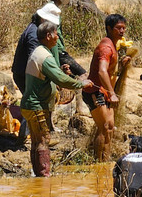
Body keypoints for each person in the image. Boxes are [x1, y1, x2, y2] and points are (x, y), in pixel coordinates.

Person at [20, 21, 93, 177]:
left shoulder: (38, 52)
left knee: (35, 140)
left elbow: (54, 75)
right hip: (36, 106)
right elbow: (61, 80)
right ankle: (44, 178)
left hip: (30, 105)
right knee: (44, 139)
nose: (57, 37)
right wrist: (81, 83)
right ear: (48, 36)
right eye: (56, 34)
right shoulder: (45, 56)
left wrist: (61, 72)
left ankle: (37, 176)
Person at [87, 14, 131, 161]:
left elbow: (110, 70)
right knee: (105, 127)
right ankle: (98, 163)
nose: (122, 31)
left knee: (110, 127)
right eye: (119, 28)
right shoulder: (106, 47)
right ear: (109, 28)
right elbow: (102, 71)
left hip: (105, 92)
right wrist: (112, 93)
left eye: (124, 28)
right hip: (94, 91)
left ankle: (105, 161)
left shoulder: (113, 45)